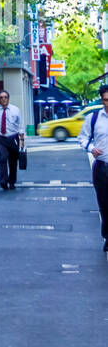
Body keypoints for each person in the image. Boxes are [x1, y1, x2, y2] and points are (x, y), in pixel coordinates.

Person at [77, 84, 108, 252]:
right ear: (102, 100)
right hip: (102, 167)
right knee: (104, 204)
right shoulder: (94, 118)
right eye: (105, 100)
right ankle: (107, 235)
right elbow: (82, 138)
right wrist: (91, 148)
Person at [0, 90, 25, 190]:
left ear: (8, 98)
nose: (3, 99)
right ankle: (3, 181)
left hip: (13, 138)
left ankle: (12, 181)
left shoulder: (15, 110)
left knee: (13, 162)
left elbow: (20, 125)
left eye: (5, 97)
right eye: (1, 97)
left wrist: (22, 140)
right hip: (0, 138)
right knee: (3, 158)